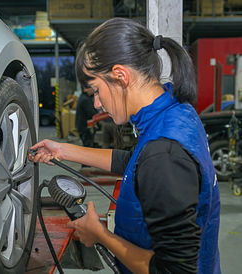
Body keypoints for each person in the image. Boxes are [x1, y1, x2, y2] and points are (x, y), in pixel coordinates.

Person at [29, 17, 221, 274]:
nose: (97, 103)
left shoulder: (164, 155)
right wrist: (63, 150)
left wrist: (100, 235)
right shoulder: (176, 113)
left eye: (96, 90)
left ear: (120, 75)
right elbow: (134, 161)